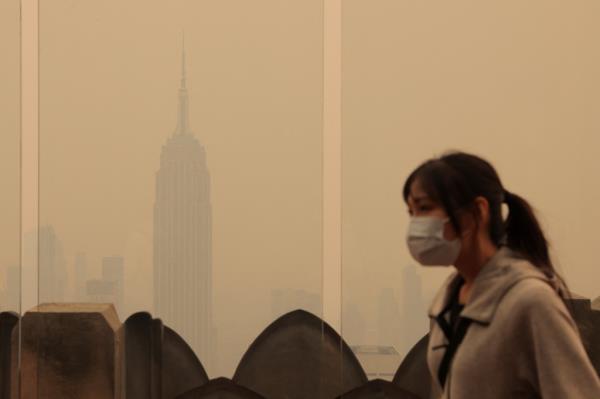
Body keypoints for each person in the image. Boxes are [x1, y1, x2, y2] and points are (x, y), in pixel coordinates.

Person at [403, 151, 600, 398]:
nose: (415, 224)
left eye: (425, 208)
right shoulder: (448, 299)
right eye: (411, 212)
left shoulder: (530, 301)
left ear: (477, 211)